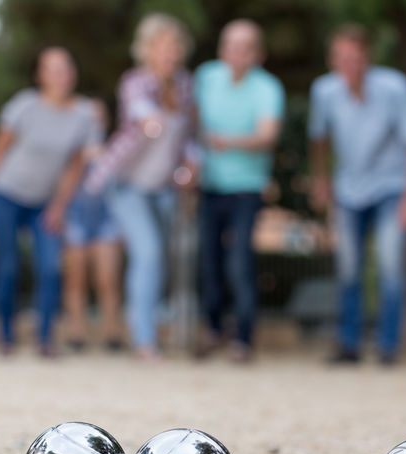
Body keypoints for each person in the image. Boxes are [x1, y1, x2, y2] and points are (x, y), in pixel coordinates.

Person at [309, 24, 406, 365]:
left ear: (368, 58)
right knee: (348, 268)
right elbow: (318, 139)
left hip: (392, 188)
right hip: (348, 189)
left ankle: (388, 347)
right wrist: (321, 180)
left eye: (357, 58)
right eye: (343, 58)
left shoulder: (395, 88)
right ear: (333, 61)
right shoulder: (325, 92)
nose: (351, 65)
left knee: (390, 265)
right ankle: (349, 345)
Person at [86, 13, 199, 361]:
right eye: (163, 45)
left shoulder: (185, 86)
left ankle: (149, 329)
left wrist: (193, 164)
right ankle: (144, 341)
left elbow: (190, 137)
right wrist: (149, 118)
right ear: (147, 50)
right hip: (127, 184)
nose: (171, 52)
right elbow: (140, 111)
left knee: (160, 260)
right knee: (147, 253)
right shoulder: (135, 82)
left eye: (175, 45)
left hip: (164, 187)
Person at [0, 46, 93, 357]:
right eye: (53, 69)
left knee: (51, 268)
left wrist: (59, 206)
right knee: (8, 266)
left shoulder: (83, 115)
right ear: (40, 76)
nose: (62, 75)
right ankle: (6, 335)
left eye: (66, 68)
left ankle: (45, 339)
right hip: (7, 195)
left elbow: (76, 166)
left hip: (45, 202)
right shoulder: (24, 106)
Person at [194, 19, 285, 362]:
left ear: (257, 54)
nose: (236, 53)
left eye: (244, 47)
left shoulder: (268, 88)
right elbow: (191, 124)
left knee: (239, 262)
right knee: (208, 262)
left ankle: (243, 338)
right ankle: (214, 329)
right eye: (230, 45)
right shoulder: (206, 77)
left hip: (247, 188)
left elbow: (268, 136)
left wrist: (224, 141)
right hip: (209, 186)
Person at [62, 99, 123, 353]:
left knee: (107, 278)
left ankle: (113, 332)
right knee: (75, 279)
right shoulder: (67, 151)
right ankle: (77, 332)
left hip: (108, 220)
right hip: (74, 218)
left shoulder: (115, 151)